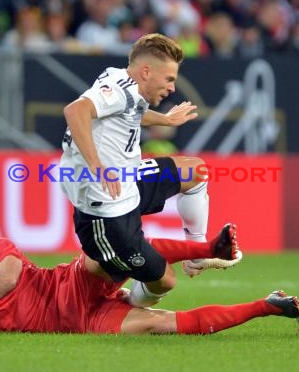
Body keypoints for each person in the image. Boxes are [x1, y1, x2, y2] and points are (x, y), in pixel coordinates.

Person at [59, 33, 241, 308]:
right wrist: (97, 167)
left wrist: (166, 120)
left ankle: (197, 252)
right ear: (146, 71)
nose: (171, 87)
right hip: (106, 214)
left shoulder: (122, 81)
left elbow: (130, 111)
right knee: (164, 281)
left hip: (127, 181)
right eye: (169, 79)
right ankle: (127, 307)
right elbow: (75, 111)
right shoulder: (118, 88)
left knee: (195, 172)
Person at [0, 220, 299, 334]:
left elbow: (5, 280)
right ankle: (269, 305)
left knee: (107, 254)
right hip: (78, 322)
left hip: (68, 284)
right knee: (160, 325)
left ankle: (209, 248)